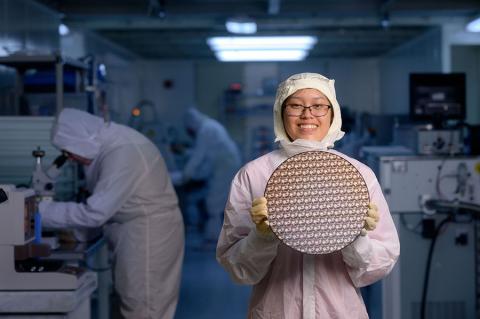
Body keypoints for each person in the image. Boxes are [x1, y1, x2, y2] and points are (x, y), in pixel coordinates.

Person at [216, 73, 400, 318]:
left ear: (333, 113)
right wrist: (260, 238)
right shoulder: (252, 175)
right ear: (281, 113)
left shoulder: (359, 176)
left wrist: (355, 238)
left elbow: (379, 266)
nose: (307, 114)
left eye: (318, 105)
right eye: (295, 105)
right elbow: (237, 269)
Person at [39, 108, 184, 319]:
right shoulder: (110, 144)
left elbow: (96, 212)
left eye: (70, 152)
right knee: (132, 302)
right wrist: (79, 235)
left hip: (148, 235)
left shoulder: (123, 152)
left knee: (144, 307)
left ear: (82, 140)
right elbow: (107, 202)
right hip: (134, 230)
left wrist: (40, 212)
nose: (70, 158)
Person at [181, 107, 241, 244]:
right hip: (226, 164)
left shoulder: (205, 130)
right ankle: (215, 237)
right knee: (217, 201)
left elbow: (198, 156)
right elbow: (207, 156)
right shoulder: (210, 126)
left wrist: (187, 174)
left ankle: (213, 239)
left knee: (214, 202)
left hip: (225, 166)